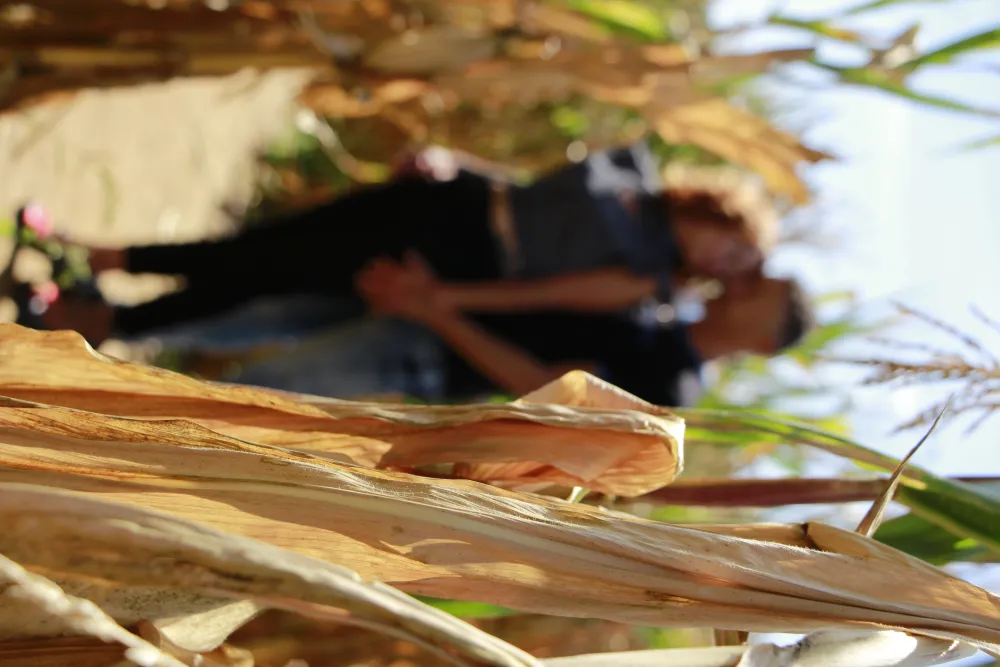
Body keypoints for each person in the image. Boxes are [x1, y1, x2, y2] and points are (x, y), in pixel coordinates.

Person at [35, 143, 775, 346]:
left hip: (456, 259)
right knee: (271, 242)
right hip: (457, 200)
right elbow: (531, 189)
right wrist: (455, 161)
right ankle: (104, 261)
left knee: (270, 276)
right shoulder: (635, 174)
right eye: (735, 247)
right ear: (721, 211)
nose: (723, 263)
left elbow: (539, 292)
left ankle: (108, 314)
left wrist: (439, 296)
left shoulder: (650, 278)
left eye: (735, 268)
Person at [226, 253, 813, 405]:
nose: (745, 284)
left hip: (431, 355)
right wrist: (438, 296)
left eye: (761, 293)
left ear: (764, 343)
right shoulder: (662, 313)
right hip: (426, 314)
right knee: (250, 326)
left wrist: (436, 312)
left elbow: (540, 385)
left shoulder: (671, 382)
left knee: (256, 391)